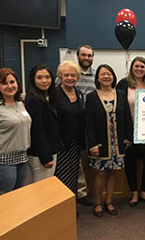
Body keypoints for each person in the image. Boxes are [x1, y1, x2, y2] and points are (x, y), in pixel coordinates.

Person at [85, 64, 133, 217]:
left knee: (112, 173)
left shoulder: (119, 94)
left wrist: (128, 138)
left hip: (117, 143)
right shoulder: (92, 97)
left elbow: (126, 118)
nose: (106, 77)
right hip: (100, 144)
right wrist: (92, 144)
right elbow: (89, 122)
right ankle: (98, 203)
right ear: (97, 78)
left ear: (113, 77)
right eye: (102, 74)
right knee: (101, 173)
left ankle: (109, 201)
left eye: (109, 74)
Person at [117, 56, 145, 207]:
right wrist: (124, 135)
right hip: (129, 132)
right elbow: (119, 109)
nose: (139, 69)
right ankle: (134, 192)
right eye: (136, 66)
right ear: (131, 68)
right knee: (130, 162)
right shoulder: (123, 84)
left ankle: (144, 191)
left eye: (142, 67)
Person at [25, 64, 63, 183]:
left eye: (47, 77)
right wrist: (45, 157)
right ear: (33, 80)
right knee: (40, 189)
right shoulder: (33, 101)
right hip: (40, 155)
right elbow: (37, 131)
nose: (44, 81)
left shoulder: (48, 97)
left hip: (50, 150)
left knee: (46, 187)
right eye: (39, 77)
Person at [54, 60, 85, 195]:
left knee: (74, 173)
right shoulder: (54, 94)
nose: (70, 78)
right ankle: (62, 207)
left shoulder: (78, 93)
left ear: (77, 77)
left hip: (75, 141)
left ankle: (72, 202)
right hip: (60, 143)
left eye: (73, 75)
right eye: (66, 75)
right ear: (60, 76)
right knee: (62, 175)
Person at [75, 45, 96, 206]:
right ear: (78, 56)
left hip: (90, 125)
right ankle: (76, 192)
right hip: (72, 124)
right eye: (84, 55)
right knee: (74, 161)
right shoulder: (68, 74)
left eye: (89, 55)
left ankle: (83, 192)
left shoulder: (97, 76)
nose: (87, 58)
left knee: (87, 159)